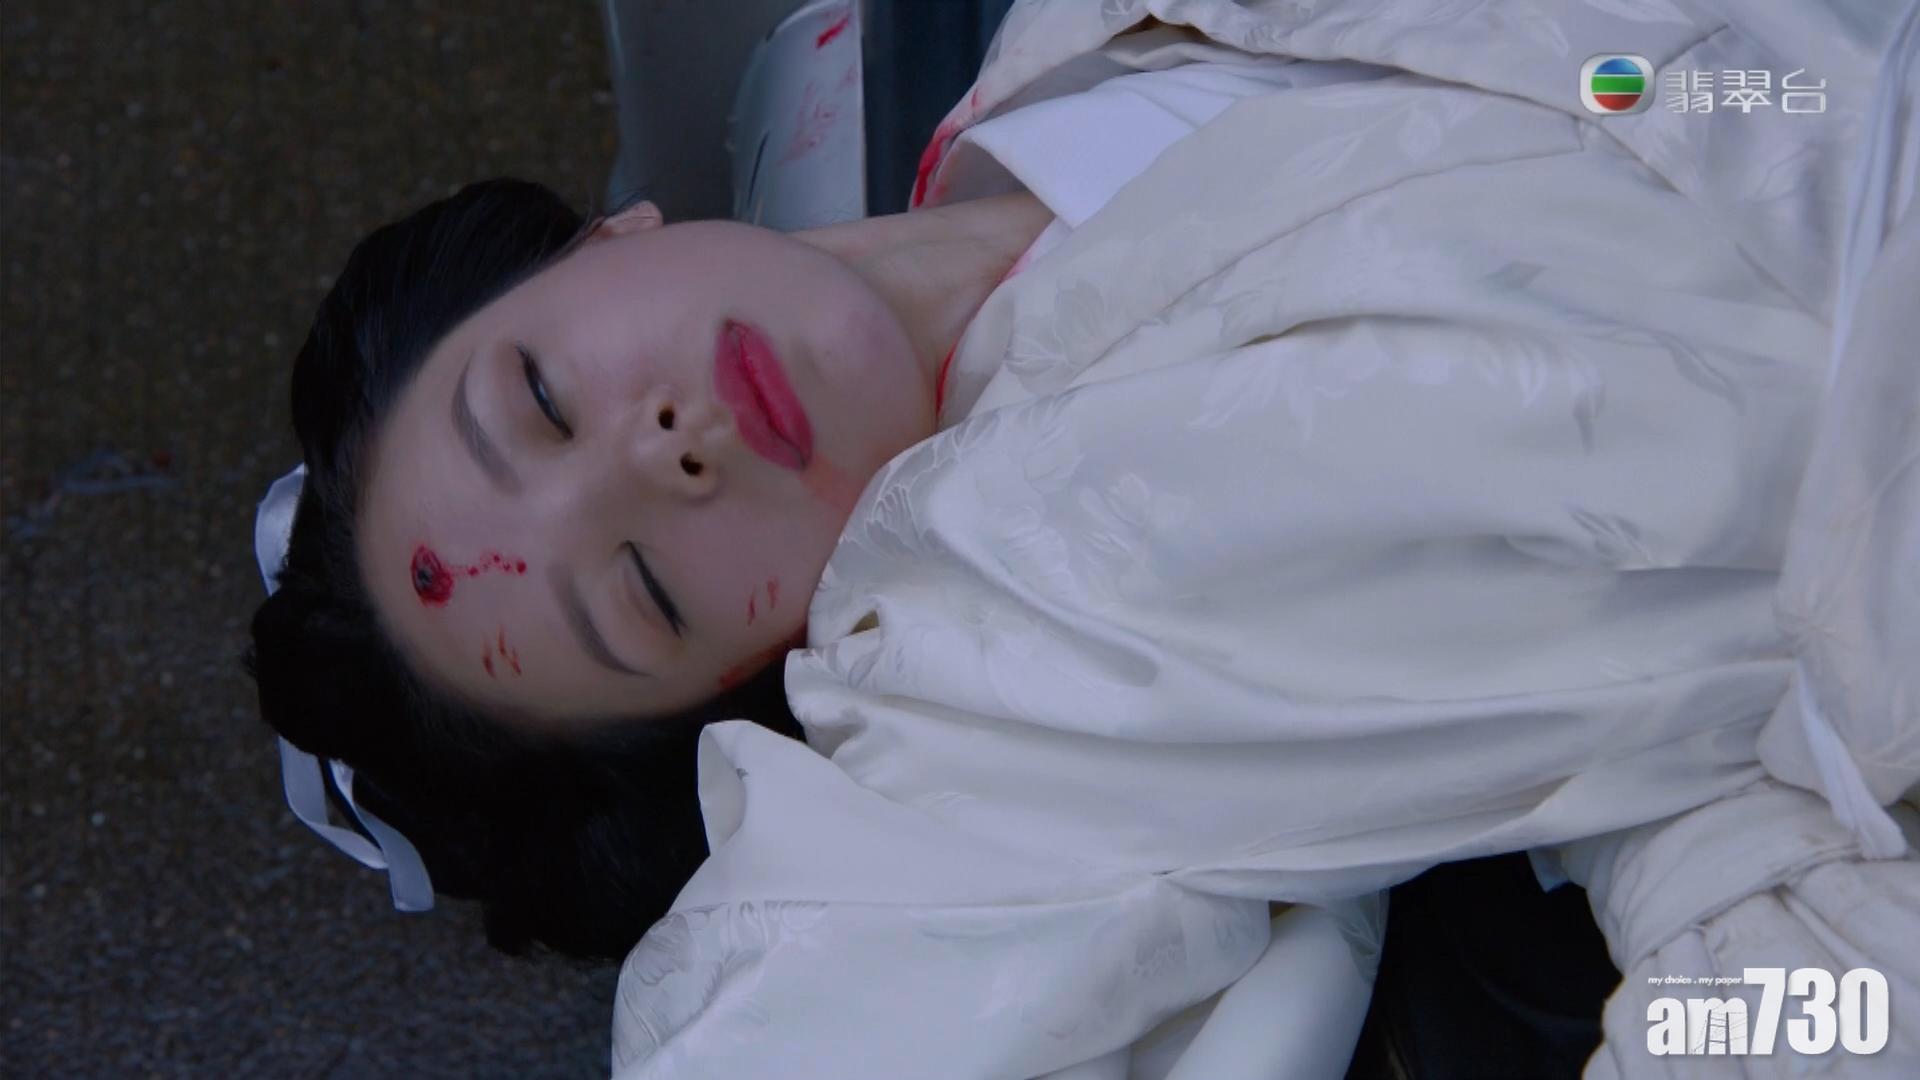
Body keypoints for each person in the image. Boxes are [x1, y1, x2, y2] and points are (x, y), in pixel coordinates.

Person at [251, 0, 1920, 1075]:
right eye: (641, 595)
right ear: (738, 683)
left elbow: (1687, 72)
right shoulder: (1007, 682)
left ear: (601, 239)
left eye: (541, 398)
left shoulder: (1095, 38)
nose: (660, 452)